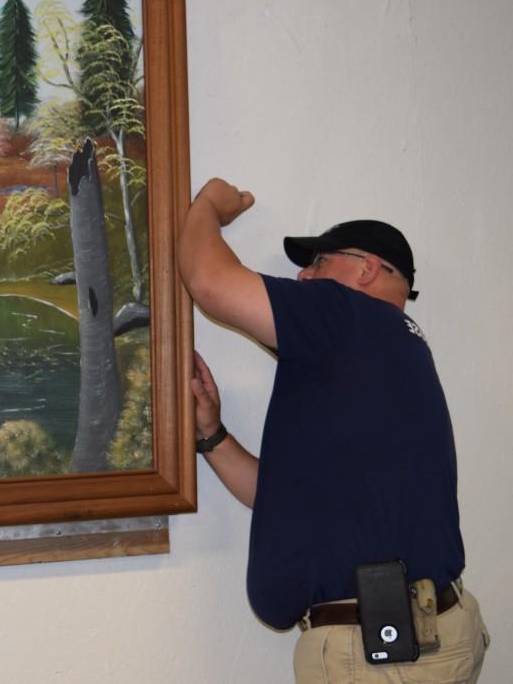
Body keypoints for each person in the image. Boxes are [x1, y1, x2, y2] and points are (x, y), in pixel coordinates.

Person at [178, 178, 488, 683]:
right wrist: (212, 435)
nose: (303, 276)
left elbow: (208, 281)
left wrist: (210, 203)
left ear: (367, 270)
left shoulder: (348, 316)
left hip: (378, 657)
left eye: (319, 262)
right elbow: (288, 498)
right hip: (419, 643)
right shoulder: (391, 352)